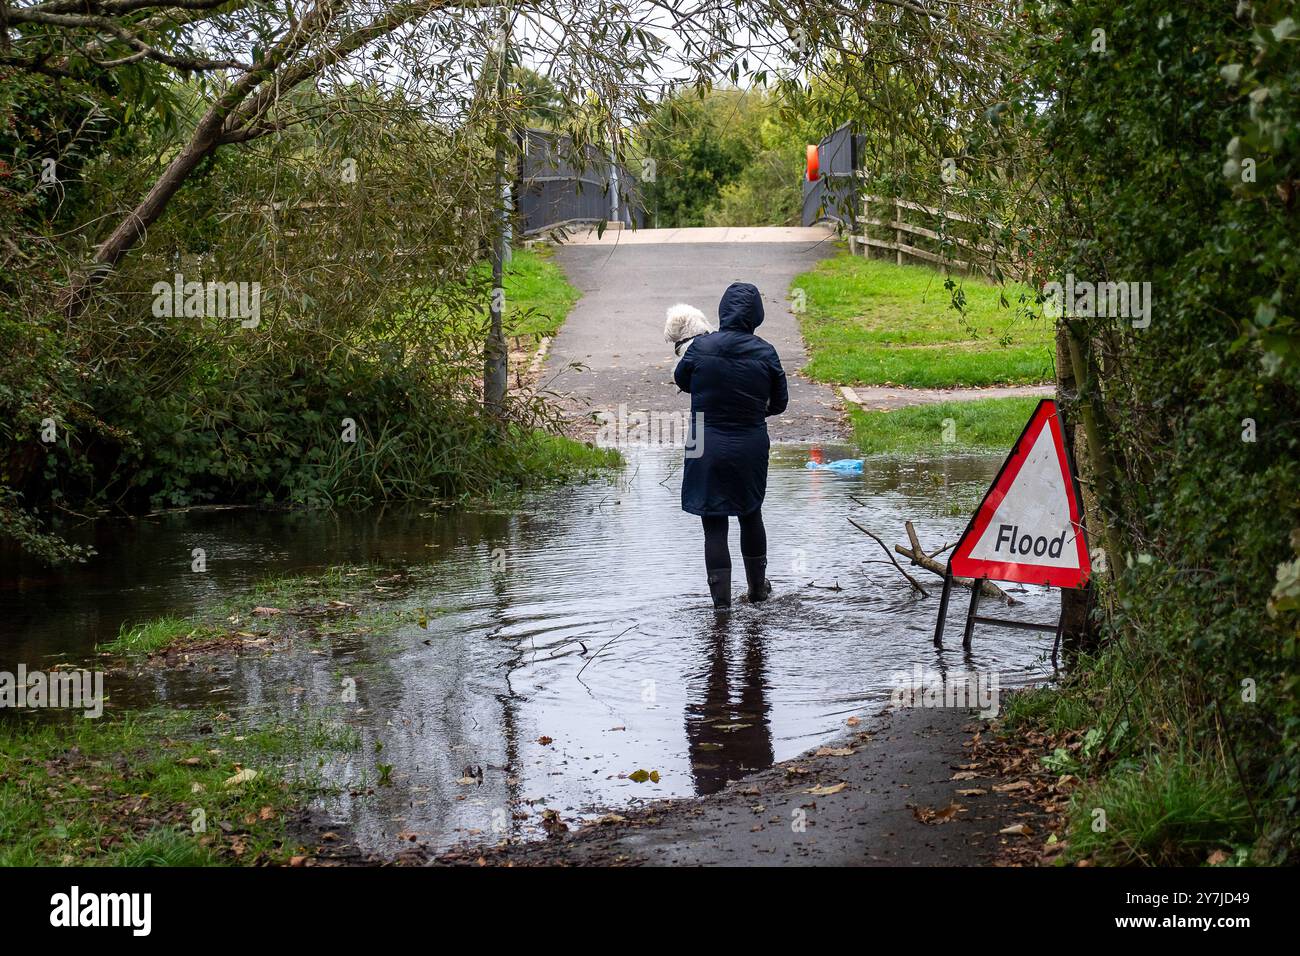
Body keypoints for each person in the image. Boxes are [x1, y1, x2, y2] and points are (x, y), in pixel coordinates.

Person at [673, 281, 788, 611]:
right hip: (749, 440)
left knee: (713, 521)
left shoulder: (700, 347)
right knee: (750, 513)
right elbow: (780, 402)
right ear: (757, 316)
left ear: (722, 311)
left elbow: (682, 379)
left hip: (702, 441)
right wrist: (752, 412)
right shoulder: (766, 352)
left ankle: (721, 605)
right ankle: (757, 592)